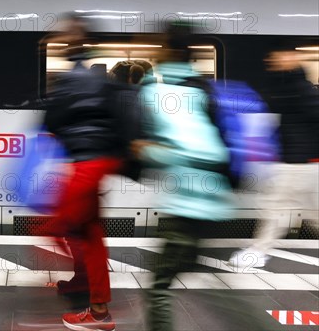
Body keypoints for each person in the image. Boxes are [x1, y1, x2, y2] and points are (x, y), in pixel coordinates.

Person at [131, 24, 234, 331]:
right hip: (211, 198)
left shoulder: (160, 91)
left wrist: (146, 150)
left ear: (169, 50)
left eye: (157, 45)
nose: (153, 51)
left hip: (190, 201)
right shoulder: (200, 86)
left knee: (159, 285)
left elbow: (187, 150)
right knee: (206, 283)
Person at [42, 13, 138, 331]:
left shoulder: (72, 80)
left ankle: (98, 312)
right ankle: (83, 283)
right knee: (86, 232)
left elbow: (52, 122)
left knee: (56, 227)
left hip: (88, 166)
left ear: (74, 40)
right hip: (97, 164)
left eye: (64, 34)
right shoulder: (99, 79)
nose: (58, 38)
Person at [229, 47, 319, 268]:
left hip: (299, 162)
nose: (272, 59)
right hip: (302, 161)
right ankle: (258, 251)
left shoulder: (301, 90)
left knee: (274, 206)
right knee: (308, 211)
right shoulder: (295, 87)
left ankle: (258, 253)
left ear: (292, 57)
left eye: (279, 55)